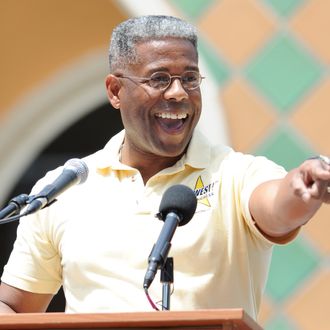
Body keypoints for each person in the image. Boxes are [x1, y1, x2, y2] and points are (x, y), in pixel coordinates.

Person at [0, 15, 329, 320]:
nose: (178, 93)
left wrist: (301, 188)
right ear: (116, 91)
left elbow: (276, 206)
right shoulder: (64, 188)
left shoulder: (235, 174)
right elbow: (14, 306)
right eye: (159, 79)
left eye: (189, 78)